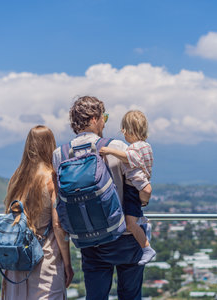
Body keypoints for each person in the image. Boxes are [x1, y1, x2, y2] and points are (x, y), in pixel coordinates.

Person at [52, 96, 148, 300]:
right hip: (124, 236)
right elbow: (135, 193)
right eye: (104, 116)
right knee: (130, 295)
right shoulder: (118, 148)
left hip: (89, 239)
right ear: (95, 118)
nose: (105, 121)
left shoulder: (60, 154)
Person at [3, 125, 73, 300]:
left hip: (16, 258)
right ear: (50, 145)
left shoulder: (16, 177)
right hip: (45, 257)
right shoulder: (52, 178)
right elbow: (57, 225)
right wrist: (67, 263)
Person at [99, 110, 156, 265]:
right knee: (133, 218)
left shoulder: (134, 148)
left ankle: (146, 247)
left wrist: (110, 151)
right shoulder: (147, 146)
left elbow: (130, 158)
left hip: (132, 188)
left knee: (130, 223)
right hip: (138, 187)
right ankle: (143, 229)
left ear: (129, 131)